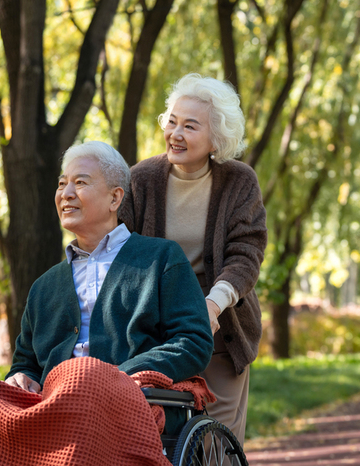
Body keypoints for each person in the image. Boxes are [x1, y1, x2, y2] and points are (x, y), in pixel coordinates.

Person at [0, 141, 213, 466]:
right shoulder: (44, 286)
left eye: (80, 182)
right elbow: (26, 362)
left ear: (115, 197)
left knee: (80, 377)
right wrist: (20, 377)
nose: (66, 193)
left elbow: (194, 342)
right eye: (61, 184)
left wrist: (120, 376)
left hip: (130, 398)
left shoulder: (160, 259)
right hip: (50, 401)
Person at [120, 73, 267, 443]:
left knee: (215, 439)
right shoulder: (141, 180)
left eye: (190, 126)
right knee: (157, 435)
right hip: (157, 327)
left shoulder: (239, 182)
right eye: (171, 122)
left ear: (216, 137)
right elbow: (120, 251)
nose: (176, 133)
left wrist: (213, 306)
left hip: (220, 321)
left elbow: (246, 254)